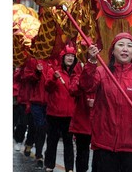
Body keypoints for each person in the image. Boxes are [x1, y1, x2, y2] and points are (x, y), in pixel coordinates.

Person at [80, 32, 132, 172]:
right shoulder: (101, 72)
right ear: (113, 50)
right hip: (104, 146)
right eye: (120, 45)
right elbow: (86, 85)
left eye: (129, 46)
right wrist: (92, 61)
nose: (125, 49)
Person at [44, 44, 81, 172]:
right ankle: (49, 165)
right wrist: (54, 79)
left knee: (68, 143)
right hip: (54, 113)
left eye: (72, 56)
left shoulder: (76, 74)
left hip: (70, 114)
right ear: (63, 57)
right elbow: (48, 87)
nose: (70, 58)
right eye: (68, 56)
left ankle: (69, 168)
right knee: (52, 141)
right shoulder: (54, 71)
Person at [22, 57, 51, 169]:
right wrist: (37, 73)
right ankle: (38, 154)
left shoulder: (55, 60)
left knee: (40, 128)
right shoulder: (33, 60)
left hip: (49, 103)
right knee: (39, 127)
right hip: (36, 102)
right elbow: (27, 78)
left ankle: (33, 148)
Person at [68, 72, 95, 172]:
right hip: (82, 119)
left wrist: (96, 102)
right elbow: (72, 90)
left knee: (99, 154)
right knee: (82, 152)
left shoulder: (105, 74)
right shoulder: (79, 74)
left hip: (99, 121)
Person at [13, 63, 36, 155]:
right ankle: (18, 140)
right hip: (23, 99)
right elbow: (16, 78)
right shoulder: (21, 66)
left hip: (34, 98)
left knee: (33, 125)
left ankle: (29, 143)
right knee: (22, 122)